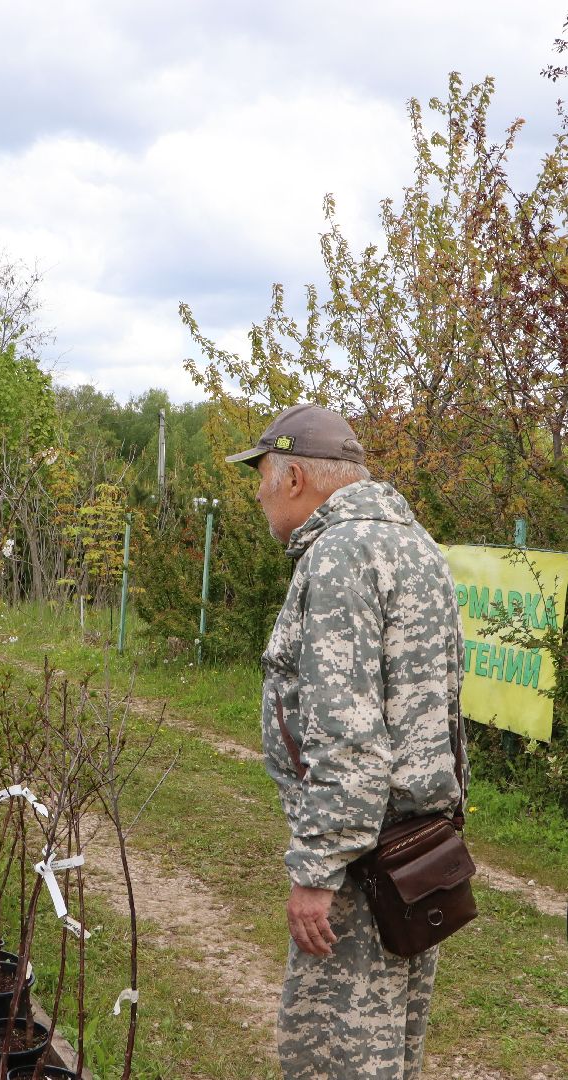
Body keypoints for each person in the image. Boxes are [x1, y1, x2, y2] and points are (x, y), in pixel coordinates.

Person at [226, 403, 465, 1080]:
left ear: (294, 477)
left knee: (336, 1055)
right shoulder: (418, 547)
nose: (259, 493)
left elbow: (349, 738)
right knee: (392, 1050)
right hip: (418, 854)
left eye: (262, 476)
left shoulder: (339, 557)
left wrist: (317, 871)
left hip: (365, 863)